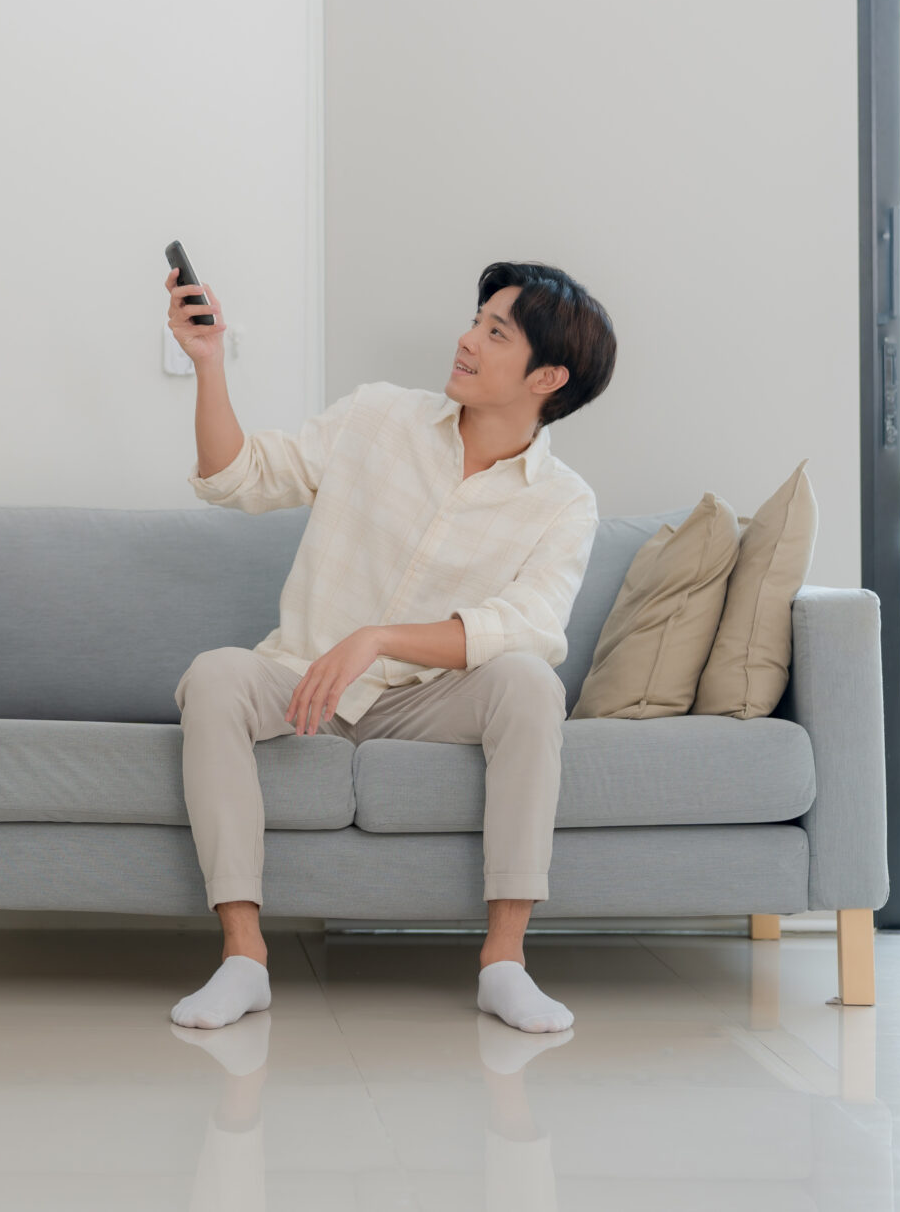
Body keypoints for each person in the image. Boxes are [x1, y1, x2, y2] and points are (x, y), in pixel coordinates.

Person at [162, 261, 616, 1036]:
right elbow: (236, 477)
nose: (467, 340)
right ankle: (244, 957)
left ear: (548, 375)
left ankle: (504, 962)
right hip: (302, 676)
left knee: (529, 683)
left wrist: (376, 639)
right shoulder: (379, 416)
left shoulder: (564, 501)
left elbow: (529, 626)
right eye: (477, 319)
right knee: (213, 676)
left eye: (494, 333)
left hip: (425, 698)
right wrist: (208, 364)